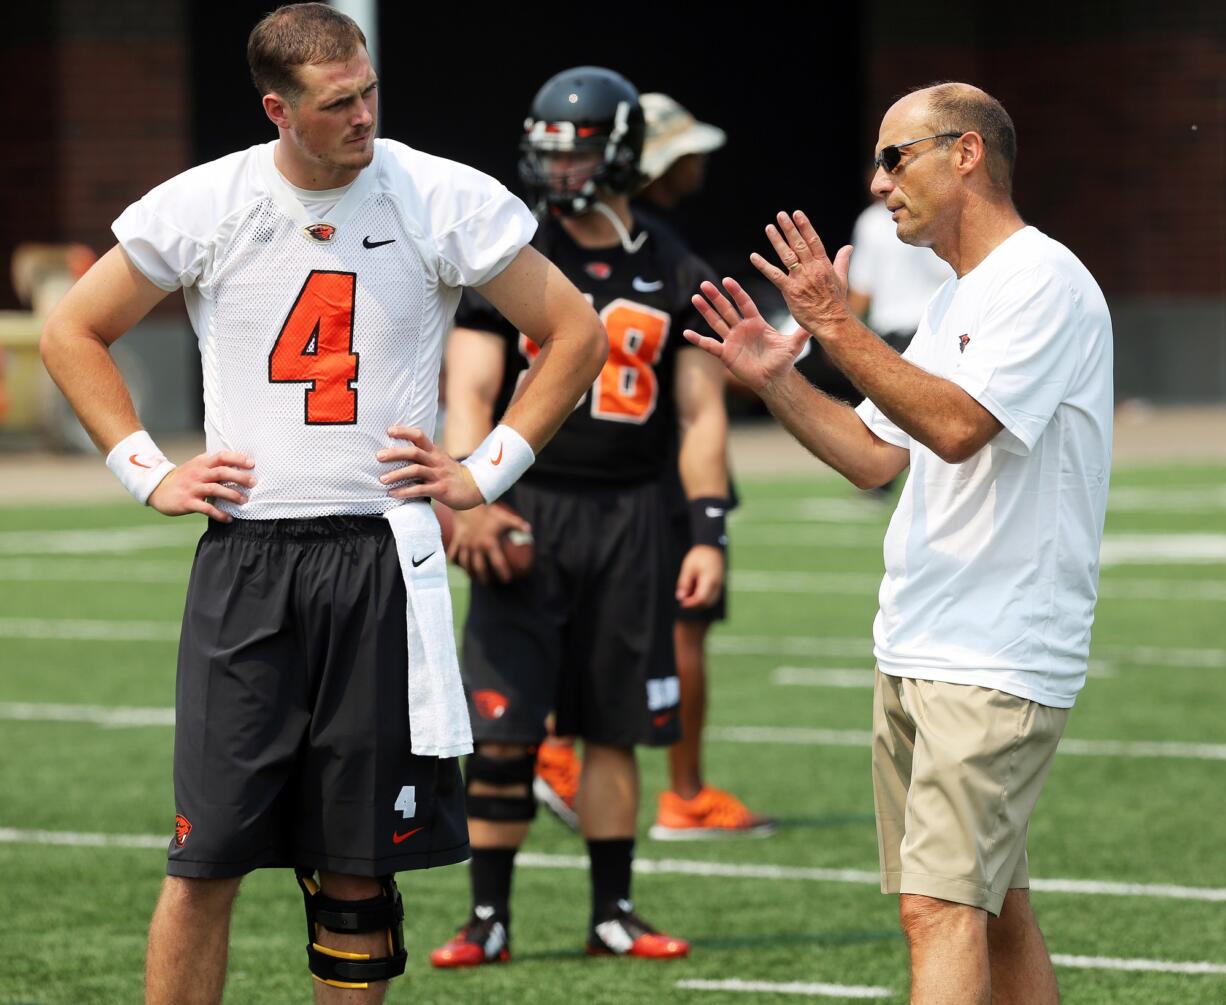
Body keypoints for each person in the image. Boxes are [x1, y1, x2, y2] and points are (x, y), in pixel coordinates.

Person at [39, 6, 606, 1004]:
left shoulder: (438, 194)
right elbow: (72, 330)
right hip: (247, 559)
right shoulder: (207, 200)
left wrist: (486, 468)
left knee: (357, 863)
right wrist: (147, 468)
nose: (363, 116)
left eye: (369, 91)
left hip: (383, 559)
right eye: (338, 102)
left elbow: (572, 332)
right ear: (277, 109)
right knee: (204, 856)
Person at [685, 83, 1112, 1005]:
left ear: (966, 154)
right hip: (925, 641)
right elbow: (877, 456)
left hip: (994, 650)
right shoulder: (963, 292)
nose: (879, 181)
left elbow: (959, 427)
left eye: (896, 156)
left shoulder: (1041, 279)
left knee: (938, 909)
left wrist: (834, 325)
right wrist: (779, 381)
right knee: (994, 909)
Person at [430, 67, 729, 967]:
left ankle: (613, 912)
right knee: (504, 726)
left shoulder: (673, 262)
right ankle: (488, 917)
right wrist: (469, 496)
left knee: (614, 725)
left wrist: (708, 530)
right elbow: (470, 391)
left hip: (635, 517)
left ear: (625, 149)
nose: (560, 165)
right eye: (551, 146)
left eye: (580, 147)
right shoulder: (511, 250)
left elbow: (701, 414)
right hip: (528, 506)